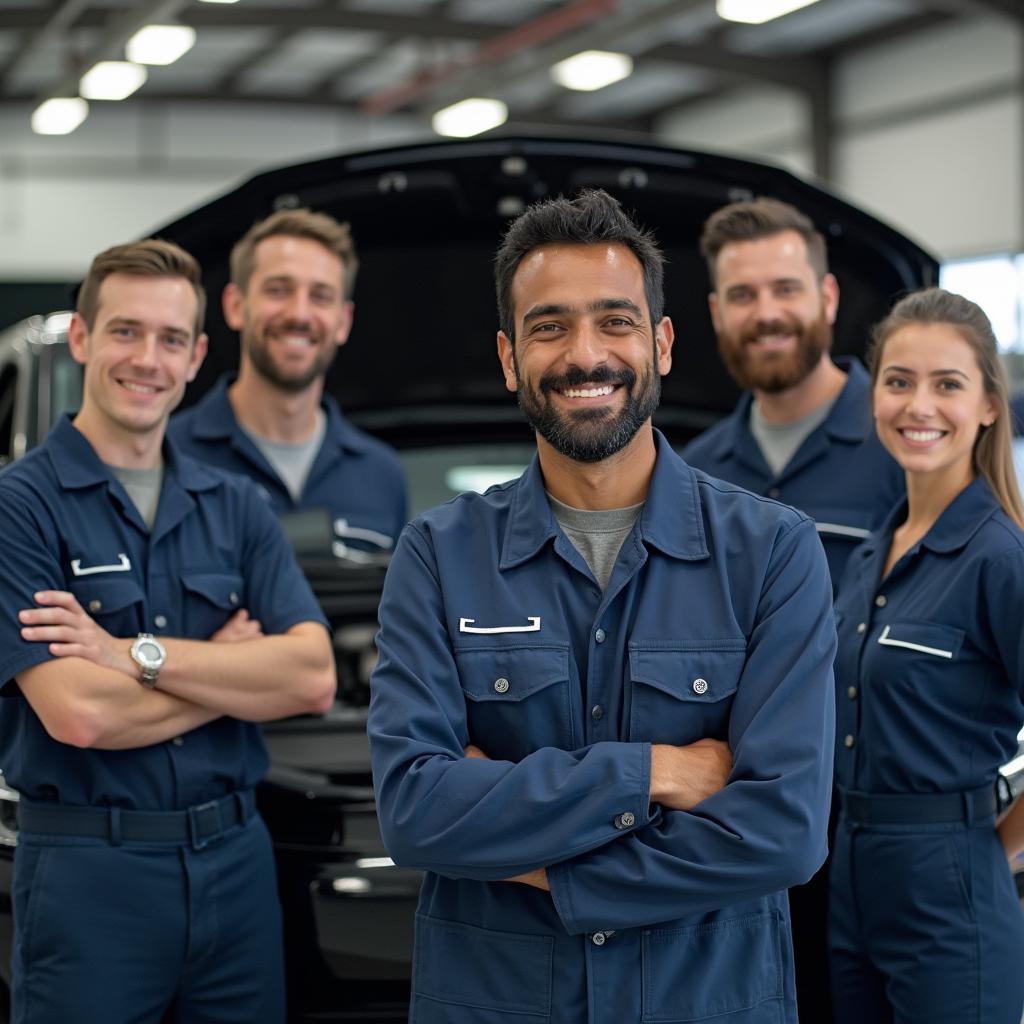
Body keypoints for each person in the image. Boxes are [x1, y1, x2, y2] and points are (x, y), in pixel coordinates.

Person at [367, 189, 837, 1023]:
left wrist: (537, 853)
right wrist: (655, 771)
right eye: (550, 326)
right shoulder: (437, 555)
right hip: (495, 1001)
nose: (586, 355)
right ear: (511, 358)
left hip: (707, 1000)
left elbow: (785, 831)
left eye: (615, 322)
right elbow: (414, 811)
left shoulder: (773, 551)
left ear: (659, 342)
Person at [0, 240, 336, 1024]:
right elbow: (79, 714)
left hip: (237, 867)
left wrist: (132, 656)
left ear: (197, 357)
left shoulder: (237, 504)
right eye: (125, 331)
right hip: (92, 876)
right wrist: (231, 675)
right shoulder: (19, 507)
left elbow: (312, 677)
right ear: (82, 338)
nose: (147, 358)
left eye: (170, 339)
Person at [829, 288, 1024, 1024]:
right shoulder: (873, 553)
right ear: (874, 395)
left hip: (949, 882)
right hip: (849, 875)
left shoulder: (1001, 558)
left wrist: (980, 848)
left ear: (987, 407)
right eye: (899, 381)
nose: (919, 405)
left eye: (948, 384)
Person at [683, 197, 903, 587]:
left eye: (786, 289)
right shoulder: (694, 475)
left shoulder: (902, 444)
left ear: (828, 298)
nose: (766, 314)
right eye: (742, 295)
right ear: (717, 314)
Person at [169, 208, 406, 558]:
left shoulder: (382, 475)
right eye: (279, 290)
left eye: (321, 296)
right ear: (235, 305)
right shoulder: (170, 456)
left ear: (343, 321)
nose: (299, 314)